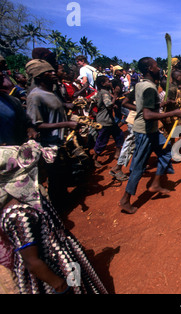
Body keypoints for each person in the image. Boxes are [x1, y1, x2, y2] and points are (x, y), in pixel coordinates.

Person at [0, 140, 108, 294]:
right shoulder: (18, 214)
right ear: (22, 176)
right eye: (39, 167)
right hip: (52, 274)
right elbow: (32, 262)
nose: (44, 170)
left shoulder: (32, 198)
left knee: (81, 288)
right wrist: (60, 285)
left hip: (64, 259)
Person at [118, 57, 181, 214]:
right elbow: (147, 115)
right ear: (149, 69)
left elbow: (125, 102)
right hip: (145, 131)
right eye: (155, 65)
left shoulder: (141, 85)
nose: (158, 67)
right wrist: (173, 112)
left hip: (152, 130)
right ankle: (125, 200)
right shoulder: (149, 88)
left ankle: (155, 183)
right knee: (139, 166)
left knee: (166, 152)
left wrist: (160, 105)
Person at [25, 59, 78, 209]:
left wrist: (67, 106)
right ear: (38, 77)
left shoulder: (51, 91)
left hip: (60, 142)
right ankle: (57, 210)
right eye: (48, 72)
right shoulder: (35, 96)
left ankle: (63, 201)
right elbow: (37, 125)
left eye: (53, 70)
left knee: (62, 176)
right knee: (54, 179)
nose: (53, 73)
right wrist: (66, 124)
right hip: (49, 145)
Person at [91, 76, 124, 168]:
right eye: (108, 81)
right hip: (105, 121)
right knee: (102, 140)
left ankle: (117, 154)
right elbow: (108, 105)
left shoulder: (102, 92)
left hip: (108, 120)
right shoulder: (105, 93)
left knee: (119, 135)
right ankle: (94, 159)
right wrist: (116, 95)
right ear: (103, 84)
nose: (110, 83)